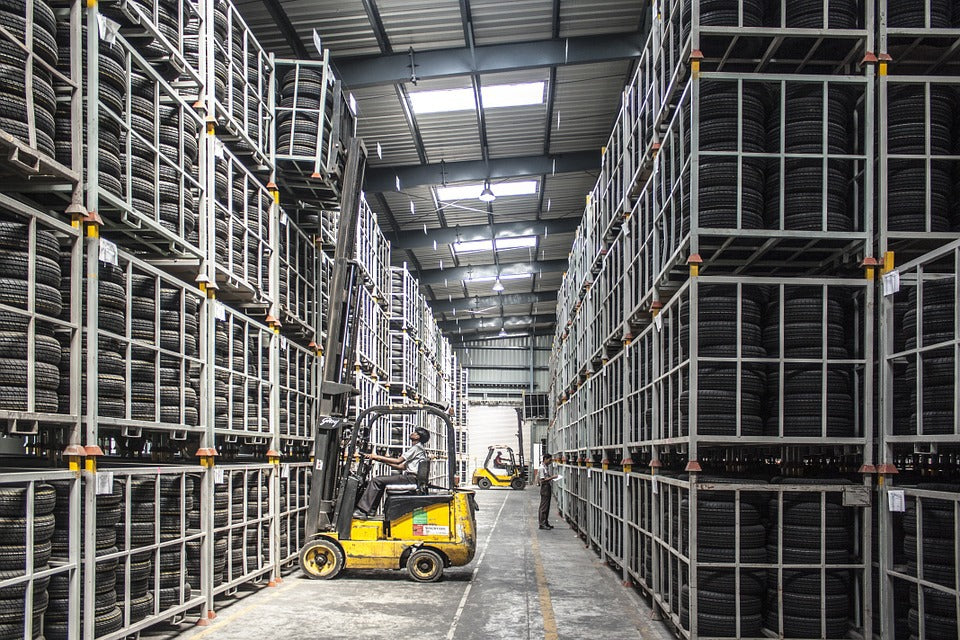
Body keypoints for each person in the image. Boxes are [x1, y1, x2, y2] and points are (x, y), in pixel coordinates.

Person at [354, 427, 429, 518]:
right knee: (380, 481)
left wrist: (376, 457)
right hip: (411, 478)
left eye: (415, 433)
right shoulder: (419, 449)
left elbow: (398, 461)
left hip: (410, 478)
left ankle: (362, 511)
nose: (412, 433)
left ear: (418, 437)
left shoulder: (416, 448)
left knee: (376, 481)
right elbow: (402, 466)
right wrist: (381, 460)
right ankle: (371, 511)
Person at [537, 453, 558, 530]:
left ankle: (545, 522)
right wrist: (552, 477)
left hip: (547, 487)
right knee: (544, 506)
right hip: (545, 487)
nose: (550, 461)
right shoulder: (541, 468)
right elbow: (542, 480)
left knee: (547, 506)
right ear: (545, 459)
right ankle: (542, 523)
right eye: (549, 460)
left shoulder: (545, 467)